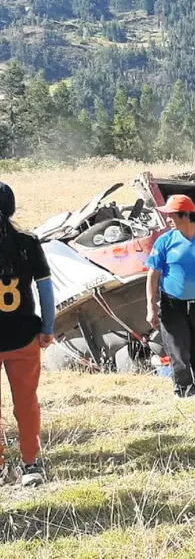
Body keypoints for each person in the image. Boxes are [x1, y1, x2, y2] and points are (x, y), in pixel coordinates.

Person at [145, 194, 195, 398]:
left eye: (171, 215)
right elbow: (152, 275)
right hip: (172, 303)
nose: (168, 220)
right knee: (177, 346)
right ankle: (182, 387)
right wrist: (151, 306)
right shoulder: (164, 241)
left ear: (185, 215)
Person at [0, 182, 54, 487]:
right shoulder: (27, 242)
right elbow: (45, 288)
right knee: (26, 403)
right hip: (23, 337)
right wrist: (47, 328)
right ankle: (31, 465)